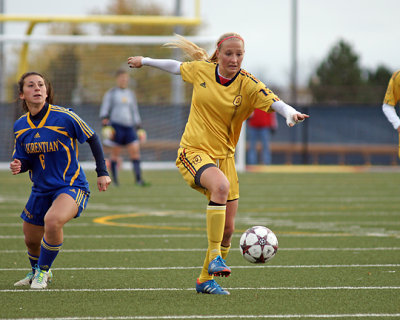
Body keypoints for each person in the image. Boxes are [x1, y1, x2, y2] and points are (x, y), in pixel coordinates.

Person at [128, 33, 309, 295]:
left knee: (228, 230)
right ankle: (215, 256)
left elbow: (274, 101)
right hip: (194, 151)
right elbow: (175, 67)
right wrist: (144, 60)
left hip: (224, 159)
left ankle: (205, 280)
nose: (234, 59)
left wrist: (289, 113)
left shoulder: (248, 84)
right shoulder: (202, 70)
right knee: (220, 188)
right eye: (229, 54)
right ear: (219, 53)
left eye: (239, 54)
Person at [11, 71, 111, 289]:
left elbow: (93, 138)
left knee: (53, 221)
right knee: (30, 238)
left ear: (47, 92)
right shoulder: (20, 125)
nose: (37, 88)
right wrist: (19, 165)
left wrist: (102, 172)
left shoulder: (65, 116)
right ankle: (35, 269)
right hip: (40, 189)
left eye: (41, 85)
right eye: (31, 85)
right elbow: (24, 159)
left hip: (71, 185)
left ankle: (43, 273)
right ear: (22, 95)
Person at [99, 69, 148, 186]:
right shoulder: (111, 93)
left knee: (135, 151)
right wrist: (105, 124)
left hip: (129, 127)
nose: (124, 80)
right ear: (117, 79)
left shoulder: (130, 94)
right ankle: (115, 181)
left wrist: (139, 126)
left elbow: (134, 111)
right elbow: (105, 110)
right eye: (122, 78)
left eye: (126, 78)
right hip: (116, 126)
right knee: (115, 154)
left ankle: (139, 179)